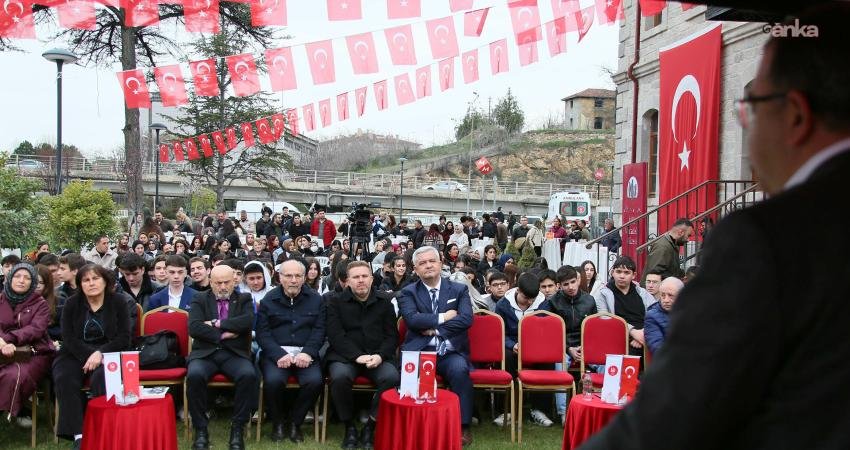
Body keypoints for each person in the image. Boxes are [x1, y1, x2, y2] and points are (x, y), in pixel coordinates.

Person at [583, 10, 850, 448]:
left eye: (750, 109)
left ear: (796, 117)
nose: (748, 126)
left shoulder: (765, 239)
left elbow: (675, 412)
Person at [397, 246, 475, 446]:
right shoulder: (408, 293)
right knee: (407, 375)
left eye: (432, 261)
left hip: (449, 351)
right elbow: (413, 321)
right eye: (422, 263)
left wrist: (437, 329)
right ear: (415, 269)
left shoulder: (458, 289)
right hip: (419, 351)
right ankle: (411, 425)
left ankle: (463, 425)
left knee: (460, 370)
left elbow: (466, 319)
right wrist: (444, 316)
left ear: (441, 263)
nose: (428, 265)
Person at [54, 264, 131, 447]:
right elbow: (68, 337)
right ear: (80, 284)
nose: (91, 283)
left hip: (109, 352)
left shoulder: (119, 302)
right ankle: (78, 434)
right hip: (74, 352)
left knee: (102, 378)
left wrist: (100, 353)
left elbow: (124, 337)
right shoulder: (72, 303)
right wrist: (90, 354)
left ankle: (103, 428)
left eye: (96, 278)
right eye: (86, 280)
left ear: (105, 281)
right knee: (65, 377)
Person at [326, 261, 399, 449]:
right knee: (340, 377)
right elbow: (335, 335)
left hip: (378, 357)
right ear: (347, 281)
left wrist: (380, 356)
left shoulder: (384, 302)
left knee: (391, 377)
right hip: (346, 357)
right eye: (356, 277)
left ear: (372, 279)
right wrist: (357, 356)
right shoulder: (334, 302)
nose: (360, 280)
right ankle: (349, 427)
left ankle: (370, 427)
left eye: (364, 276)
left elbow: (392, 336)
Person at [186, 265, 257, 450]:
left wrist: (217, 323)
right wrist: (224, 334)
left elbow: (247, 321)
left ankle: (237, 428)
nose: (223, 287)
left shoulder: (244, 298)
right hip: (205, 353)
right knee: (194, 376)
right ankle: (201, 430)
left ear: (235, 281)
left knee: (248, 375)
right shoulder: (199, 298)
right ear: (211, 282)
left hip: (234, 353)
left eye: (227, 282)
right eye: (218, 283)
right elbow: (194, 327)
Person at [256, 260, 325, 443]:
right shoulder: (268, 300)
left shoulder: (316, 300)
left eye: (298, 276)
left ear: (304, 278)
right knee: (273, 381)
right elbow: (263, 333)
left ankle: (295, 422)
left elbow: (320, 330)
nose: (293, 280)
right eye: (288, 276)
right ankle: (278, 422)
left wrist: (308, 352)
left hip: (306, 354)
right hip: (276, 354)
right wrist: (278, 354)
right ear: (280, 277)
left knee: (315, 381)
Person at [493, 273, 552, 427]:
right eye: (526, 298)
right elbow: (500, 333)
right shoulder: (503, 305)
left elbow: (546, 331)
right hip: (512, 346)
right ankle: (507, 410)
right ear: (518, 290)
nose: (530, 302)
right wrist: (512, 345)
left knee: (547, 359)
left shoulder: (543, 304)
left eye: (532, 298)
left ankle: (539, 410)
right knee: (506, 357)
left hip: (536, 346)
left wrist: (534, 345)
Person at [0, 263, 54, 424]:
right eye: (17, 276)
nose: (21, 281)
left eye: (27, 278)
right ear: (9, 279)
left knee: (14, 375)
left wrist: (9, 340)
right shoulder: (1, 299)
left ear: (32, 283)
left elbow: (36, 330)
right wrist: (2, 343)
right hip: (2, 350)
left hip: (34, 353)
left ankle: (17, 411)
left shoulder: (40, 304)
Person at [546, 265, 597, 423]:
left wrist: (585, 346)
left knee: (606, 363)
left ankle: (602, 407)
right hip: (563, 346)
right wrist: (569, 348)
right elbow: (553, 333)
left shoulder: (589, 300)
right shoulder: (553, 302)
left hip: (586, 345)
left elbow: (594, 328)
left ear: (578, 280)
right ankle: (563, 414)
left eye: (573, 282)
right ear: (560, 285)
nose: (570, 287)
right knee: (560, 364)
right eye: (566, 284)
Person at [594, 256, 656, 357]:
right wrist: (632, 332)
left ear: (634, 275)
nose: (622, 276)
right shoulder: (602, 294)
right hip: (617, 339)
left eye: (626, 272)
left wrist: (642, 334)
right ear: (613, 272)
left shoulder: (642, 293)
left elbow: (655, 314)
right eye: (618, 272)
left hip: (644, 337)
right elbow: (605, 319)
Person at [641, 218, 694, 283]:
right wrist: (677, 281)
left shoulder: (674, 244)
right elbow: (654, 272)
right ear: (680, 232)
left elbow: (672, 270)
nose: (688, 240)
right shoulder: (662, 246)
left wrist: (683, 277)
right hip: (653, 290)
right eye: (688, 235)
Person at [644, 277, 683, 355]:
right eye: (662, 295)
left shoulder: (693, 311)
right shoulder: (652, 316)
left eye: (670, 296)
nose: (666, 300)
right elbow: (658, 350)